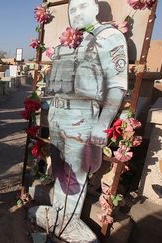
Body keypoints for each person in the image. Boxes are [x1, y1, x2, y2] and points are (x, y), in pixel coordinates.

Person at [28, 0, 128, 241]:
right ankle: (59, 215)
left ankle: (68, 223)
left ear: (95, 9)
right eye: (72, 9)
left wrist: (102, 123)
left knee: (76, 173)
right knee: (61, 169)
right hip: (58, 116)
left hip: (82, 117)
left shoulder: (109, 37)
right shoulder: (68, 40)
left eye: (82, 6)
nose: (76, 13)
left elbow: (117, 85)